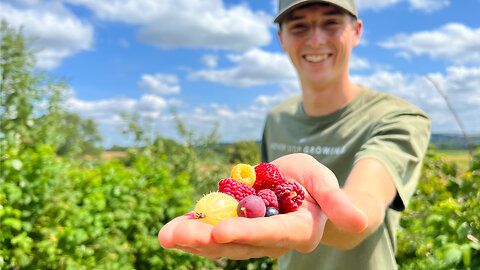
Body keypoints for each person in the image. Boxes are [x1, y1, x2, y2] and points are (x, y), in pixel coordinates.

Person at [158, 0, 431, 269]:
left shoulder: (399, 117)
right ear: (282, 39)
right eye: (299, 26)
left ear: (357, 31)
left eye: (331, 22)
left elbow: (366, 204)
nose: (315, 40)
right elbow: (263, 191)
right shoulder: (276, 118)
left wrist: (324, 212)